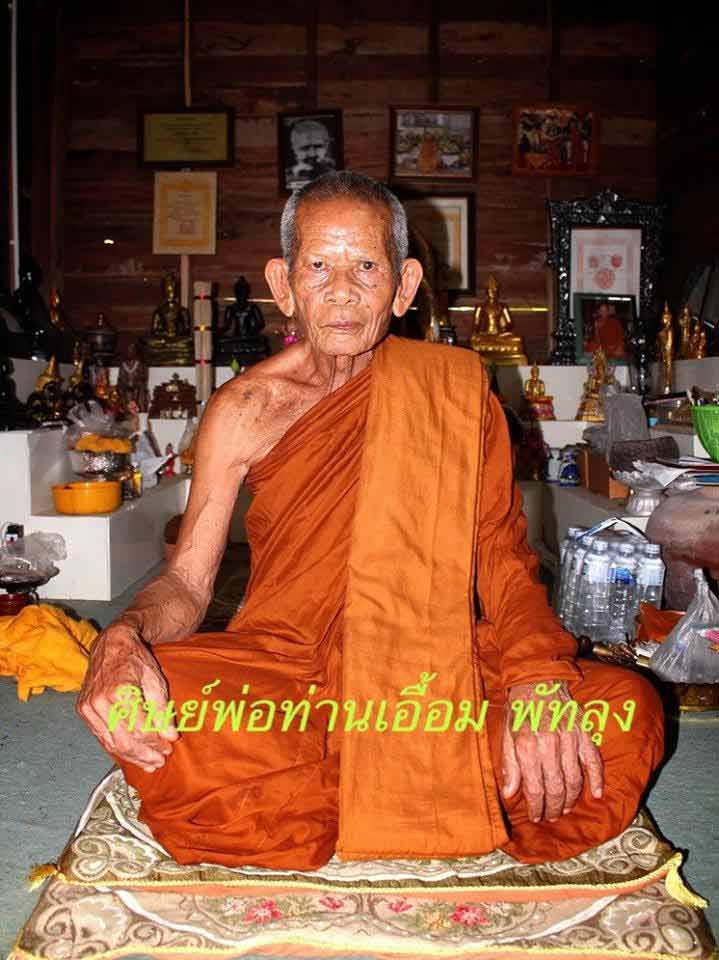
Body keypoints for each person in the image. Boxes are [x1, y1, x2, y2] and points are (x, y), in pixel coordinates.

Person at [78, 171, 664, 871]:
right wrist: (121, 637)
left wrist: (538, 681)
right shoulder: (243, 409)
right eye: (317, 267)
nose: (342, 291)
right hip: (289, 665)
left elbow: (503, 562)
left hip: (434, 662)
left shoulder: (454, 391)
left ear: (404, 285)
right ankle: (425, 785)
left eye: (365, 267)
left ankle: (342, 790)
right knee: (158, 702)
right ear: (283, 283)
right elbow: (188, 583)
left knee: (625, 708)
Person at [285, 119, 336, 189]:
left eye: (318, 146)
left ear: (326, 146)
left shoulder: (336, 176)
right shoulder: (287, 178)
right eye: (305, 148)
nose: (312, 154)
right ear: (293, 149)